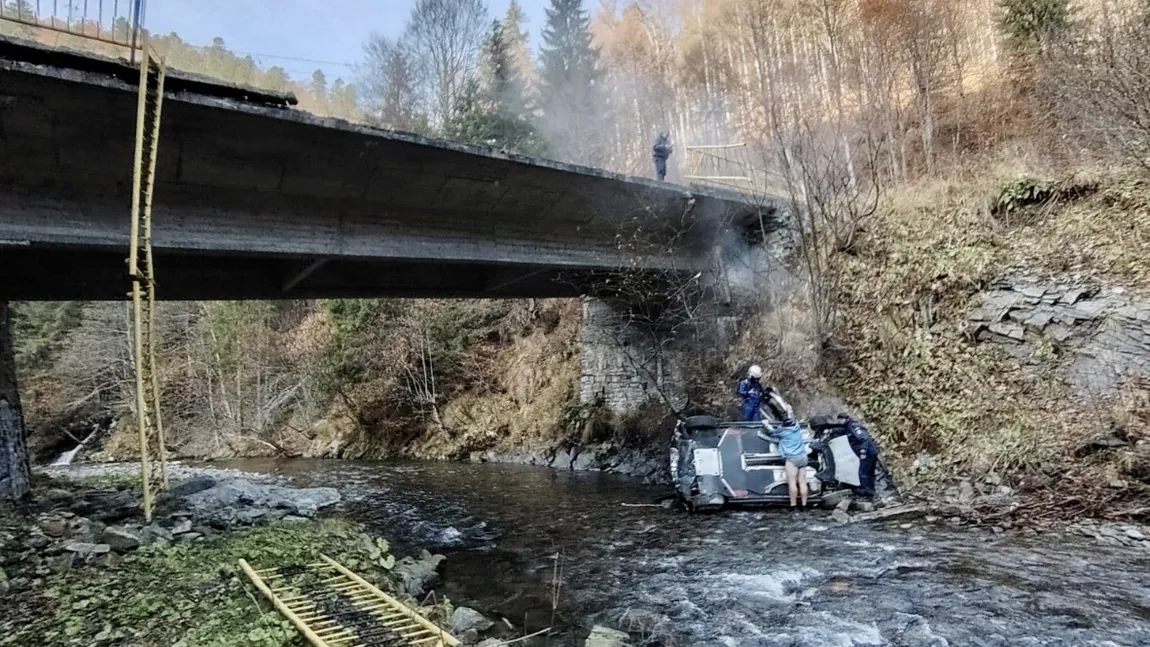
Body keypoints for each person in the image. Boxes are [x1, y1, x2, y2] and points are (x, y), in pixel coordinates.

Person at [762, 419, 809, 509]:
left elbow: (772, 432)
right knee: (802, 482)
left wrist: (766, 424)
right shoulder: (797, 428)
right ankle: (804, 505)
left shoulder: (784, 433)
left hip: (792, 458)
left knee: (792, 482)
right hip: (803, 457)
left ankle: (793, 505)